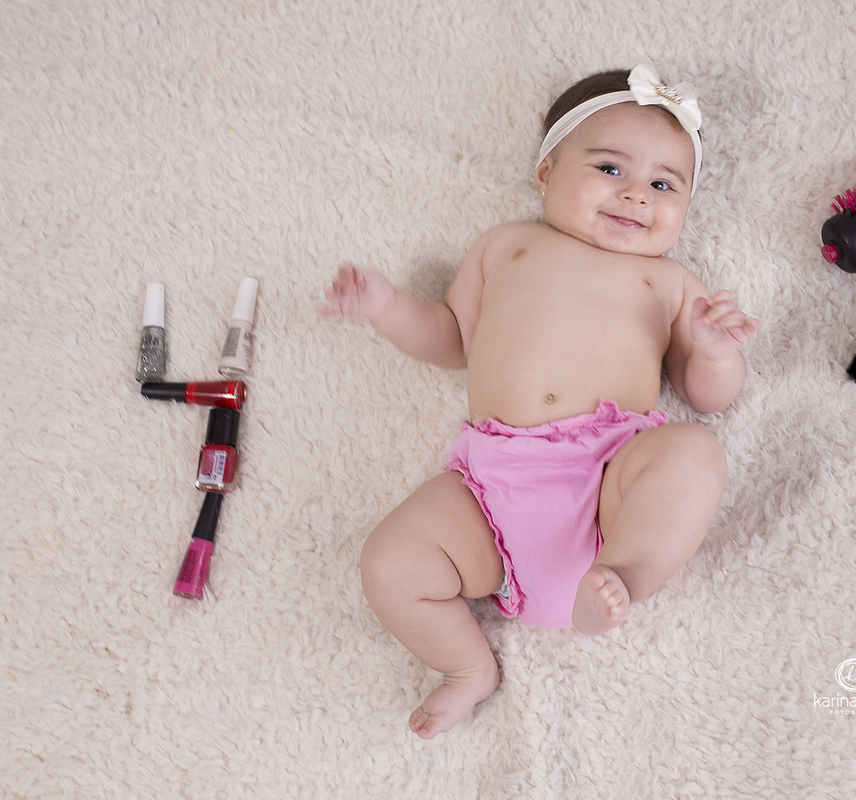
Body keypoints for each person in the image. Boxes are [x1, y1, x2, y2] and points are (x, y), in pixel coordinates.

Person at [319, 65, 759, 739]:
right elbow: (451, 339)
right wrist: (387, 308)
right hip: (491, 491)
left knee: (695, 452)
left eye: (664, 185)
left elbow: (708, 397)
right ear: (547, 173)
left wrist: (714, 351)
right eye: (611, 169)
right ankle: (467, 668)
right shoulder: (505, 247)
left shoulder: (668, 281)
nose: (637, 194)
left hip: (608, 482)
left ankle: (624, 577)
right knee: (389, 562)